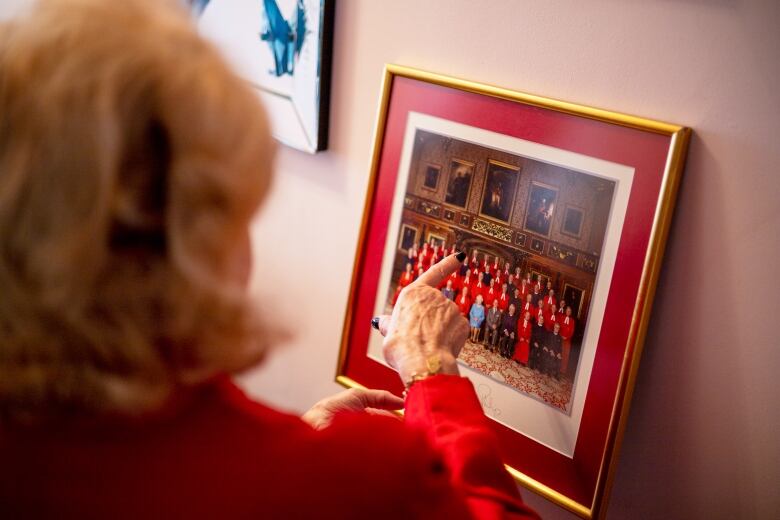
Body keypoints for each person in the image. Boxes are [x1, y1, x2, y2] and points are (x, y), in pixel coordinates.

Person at [0, 2, 540, 518]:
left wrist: (297, 450)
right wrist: (432, 372)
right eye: (239, 217)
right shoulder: (368, 480)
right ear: (192, 250)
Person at [559, 306, 577, 376]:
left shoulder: (572, 321)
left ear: (571, 312)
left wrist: (566, 337)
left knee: (565, 355)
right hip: (560, 339)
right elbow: (559, 327)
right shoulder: (562, 318)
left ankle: (562, 370)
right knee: (559, 353)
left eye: (569, 311)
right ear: (565, 311)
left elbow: (572, 331)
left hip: (567, 340)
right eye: (567, 311)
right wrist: (561, 335)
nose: (568, 312)